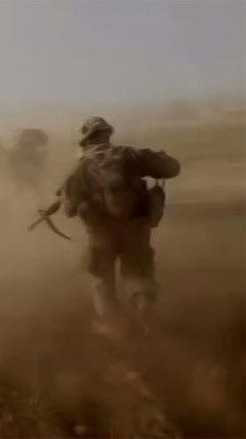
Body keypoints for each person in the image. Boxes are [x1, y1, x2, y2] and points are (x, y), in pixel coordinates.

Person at [49, 116, 180, 337]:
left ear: (84, 139)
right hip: (136, 226)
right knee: (138, 270)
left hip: (100, 232)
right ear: (108, 134)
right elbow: (172, 168)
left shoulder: (80, 167)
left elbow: (69, 210)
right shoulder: (130, 154)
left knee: (101, 277)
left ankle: (112, 325)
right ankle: (143, 306)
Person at [8, 128, 49, 198]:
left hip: (27, 171)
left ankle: (19, 197)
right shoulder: (33, 150)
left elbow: (12, 161)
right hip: (26, 171)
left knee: (25, 185)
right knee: (29, 186)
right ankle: (39, 198)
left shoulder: (20, 149)